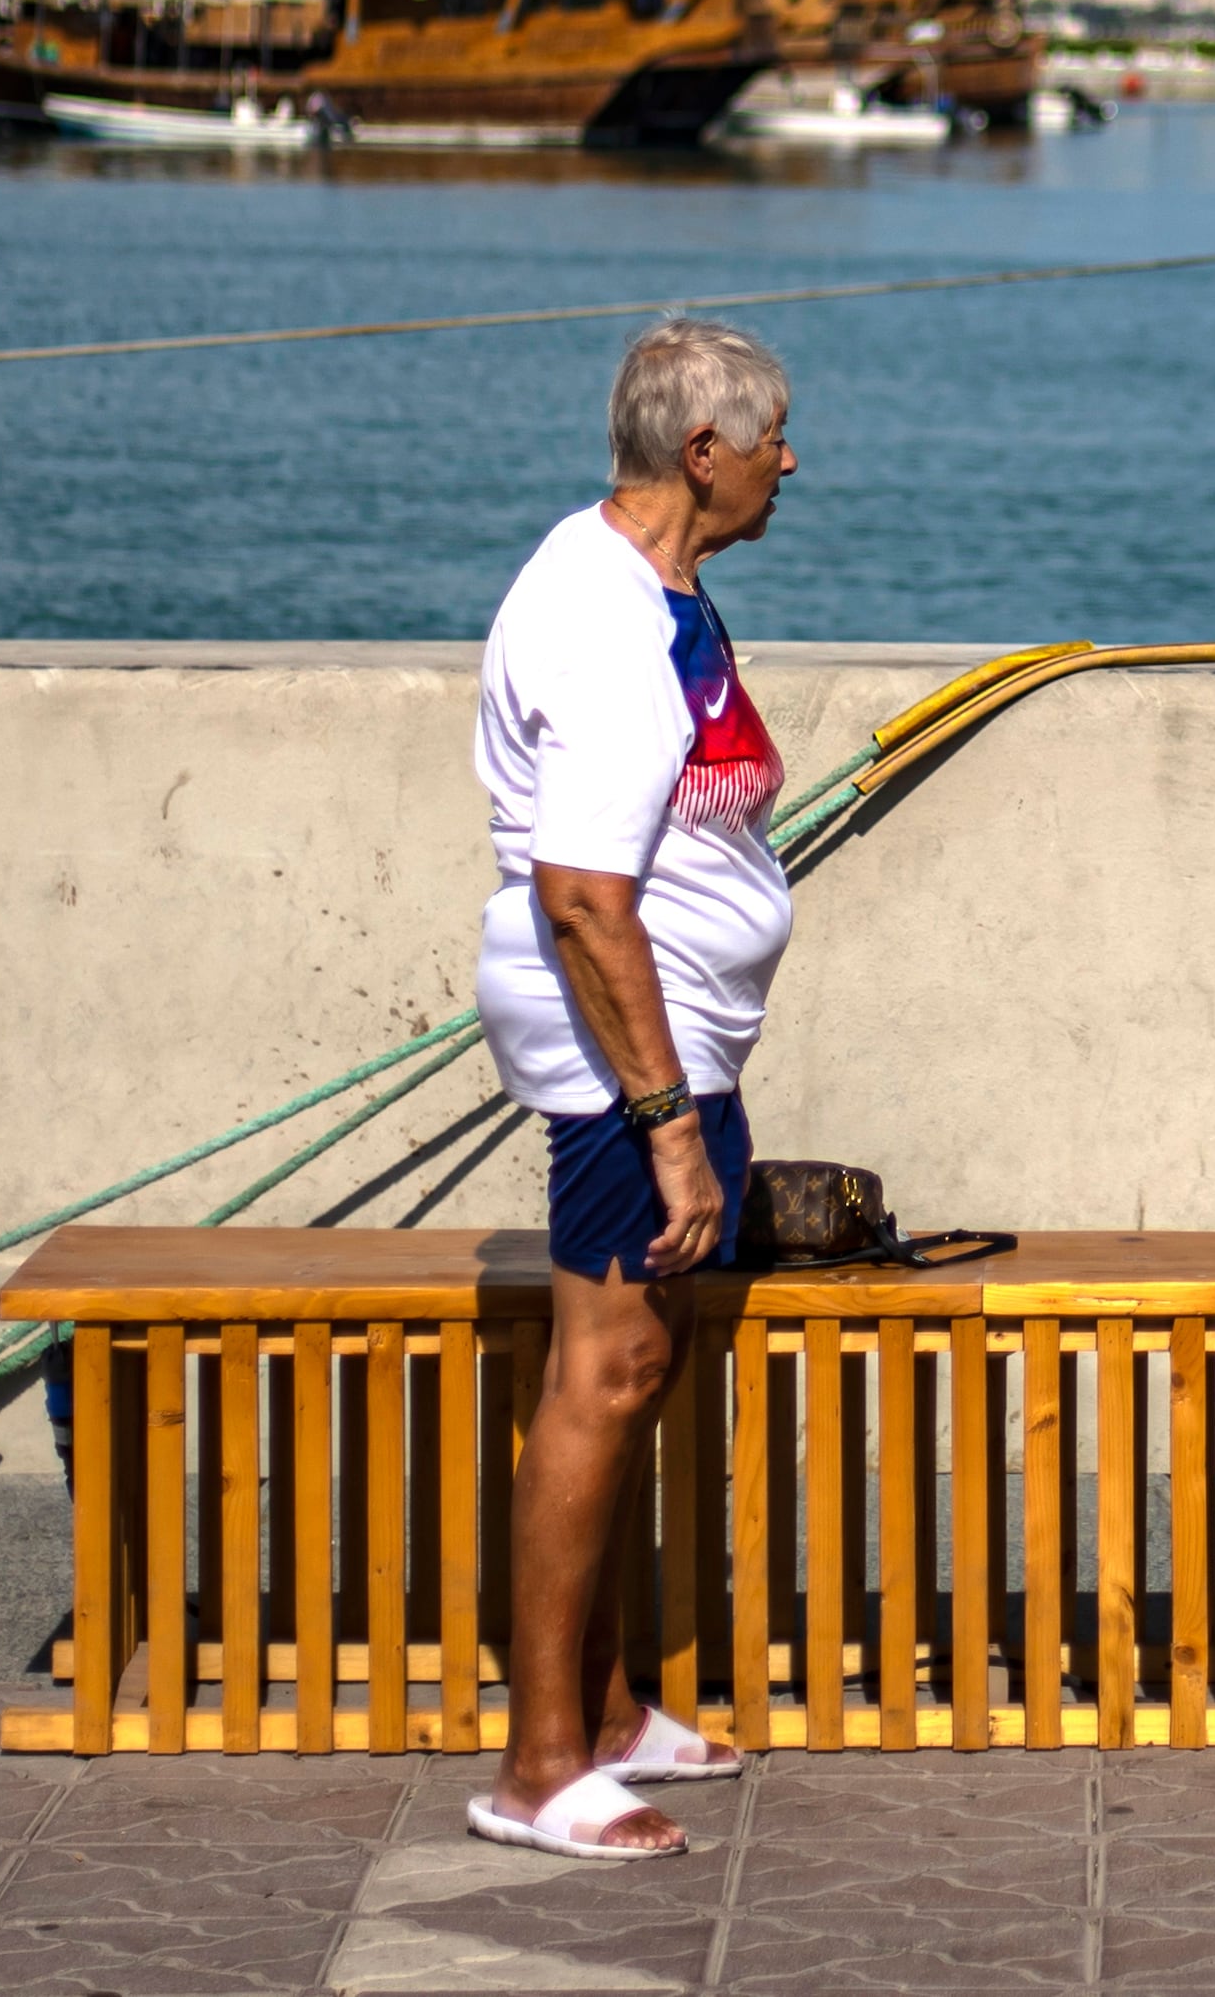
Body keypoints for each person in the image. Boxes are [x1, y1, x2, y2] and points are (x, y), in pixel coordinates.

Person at [466, 318, 803, 1860]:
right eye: (777, 435)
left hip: (676, 1030)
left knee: (640, 1362)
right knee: (601, 1372)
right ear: (705, 453)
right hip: (624, 1046)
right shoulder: (605, 621)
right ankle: (541, 1764)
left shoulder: (656, 583)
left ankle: (605, 1709)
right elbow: (588, 892)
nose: (795, 461)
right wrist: (665, 1121)